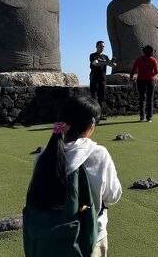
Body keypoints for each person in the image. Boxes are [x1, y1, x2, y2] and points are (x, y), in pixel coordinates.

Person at [25, 96, 122, 257]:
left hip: (46, 239)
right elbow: (113, 196)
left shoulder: (44, 155)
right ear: (91, 126)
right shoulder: (99, 154)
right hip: (90, 238)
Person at [130, 45, 158, 122]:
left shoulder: (139, 59)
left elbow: (133, 69)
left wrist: (131, 78)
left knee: (142, 98)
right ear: (151, 52)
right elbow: (156, 72)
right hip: (150, 80)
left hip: (140, 80)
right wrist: (152, 74)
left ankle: (142, 117)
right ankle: (149, 118)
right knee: (150, 99)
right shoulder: (153, 60)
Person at [89, 41, 117, 121]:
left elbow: (111, 65)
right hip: (94, 78)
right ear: (97, 46)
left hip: (102, 79)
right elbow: (95, 64)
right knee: (93, 98)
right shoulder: (93, 55)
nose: (102, 48)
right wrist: (106, 62)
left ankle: (100, 115)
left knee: (101, 98)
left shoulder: (106, 56)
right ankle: (93, 115)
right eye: (101, 46)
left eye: (103, 46)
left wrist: (112, 64)